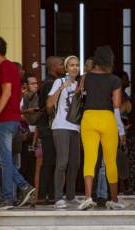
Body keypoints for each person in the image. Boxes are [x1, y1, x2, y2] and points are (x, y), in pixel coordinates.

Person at [0, 35, 35, 209]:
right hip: (13, 121)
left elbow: (7, 93)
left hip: (4, 122)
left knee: (5, 160)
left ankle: (12, 194)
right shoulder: (12, 67)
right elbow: (11, 92)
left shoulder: (4, 67)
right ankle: (15, 191)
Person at [77, 45, 126, 210]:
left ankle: (88, 197)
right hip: (107, 119)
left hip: (88, 118)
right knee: (110, 160)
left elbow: (79, 94)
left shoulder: (85, 77)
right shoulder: (115, 80)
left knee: (89, 159)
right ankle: (114, 199)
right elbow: (117, 104)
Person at [46, 55, 82, 208]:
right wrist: (61, 88)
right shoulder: (58, 81)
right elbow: (49, 104)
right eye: (71, 65)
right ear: (66, 69)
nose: (75, 67)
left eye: (77, 65)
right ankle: (58, 197)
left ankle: (71, 195)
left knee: (75, 163)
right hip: (60, 126)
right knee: (62, 162)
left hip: (75, 127)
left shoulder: (80, 84)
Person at [37, 56, 65, 204]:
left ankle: (49, 194)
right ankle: (45, 195)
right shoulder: (51, 83)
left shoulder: (50, 82)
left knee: (52, 160)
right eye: (61, 64)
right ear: (53, 67)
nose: (64, 66)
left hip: (49, 126)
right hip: (49, 127)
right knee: (50, 160)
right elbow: (51, 107)